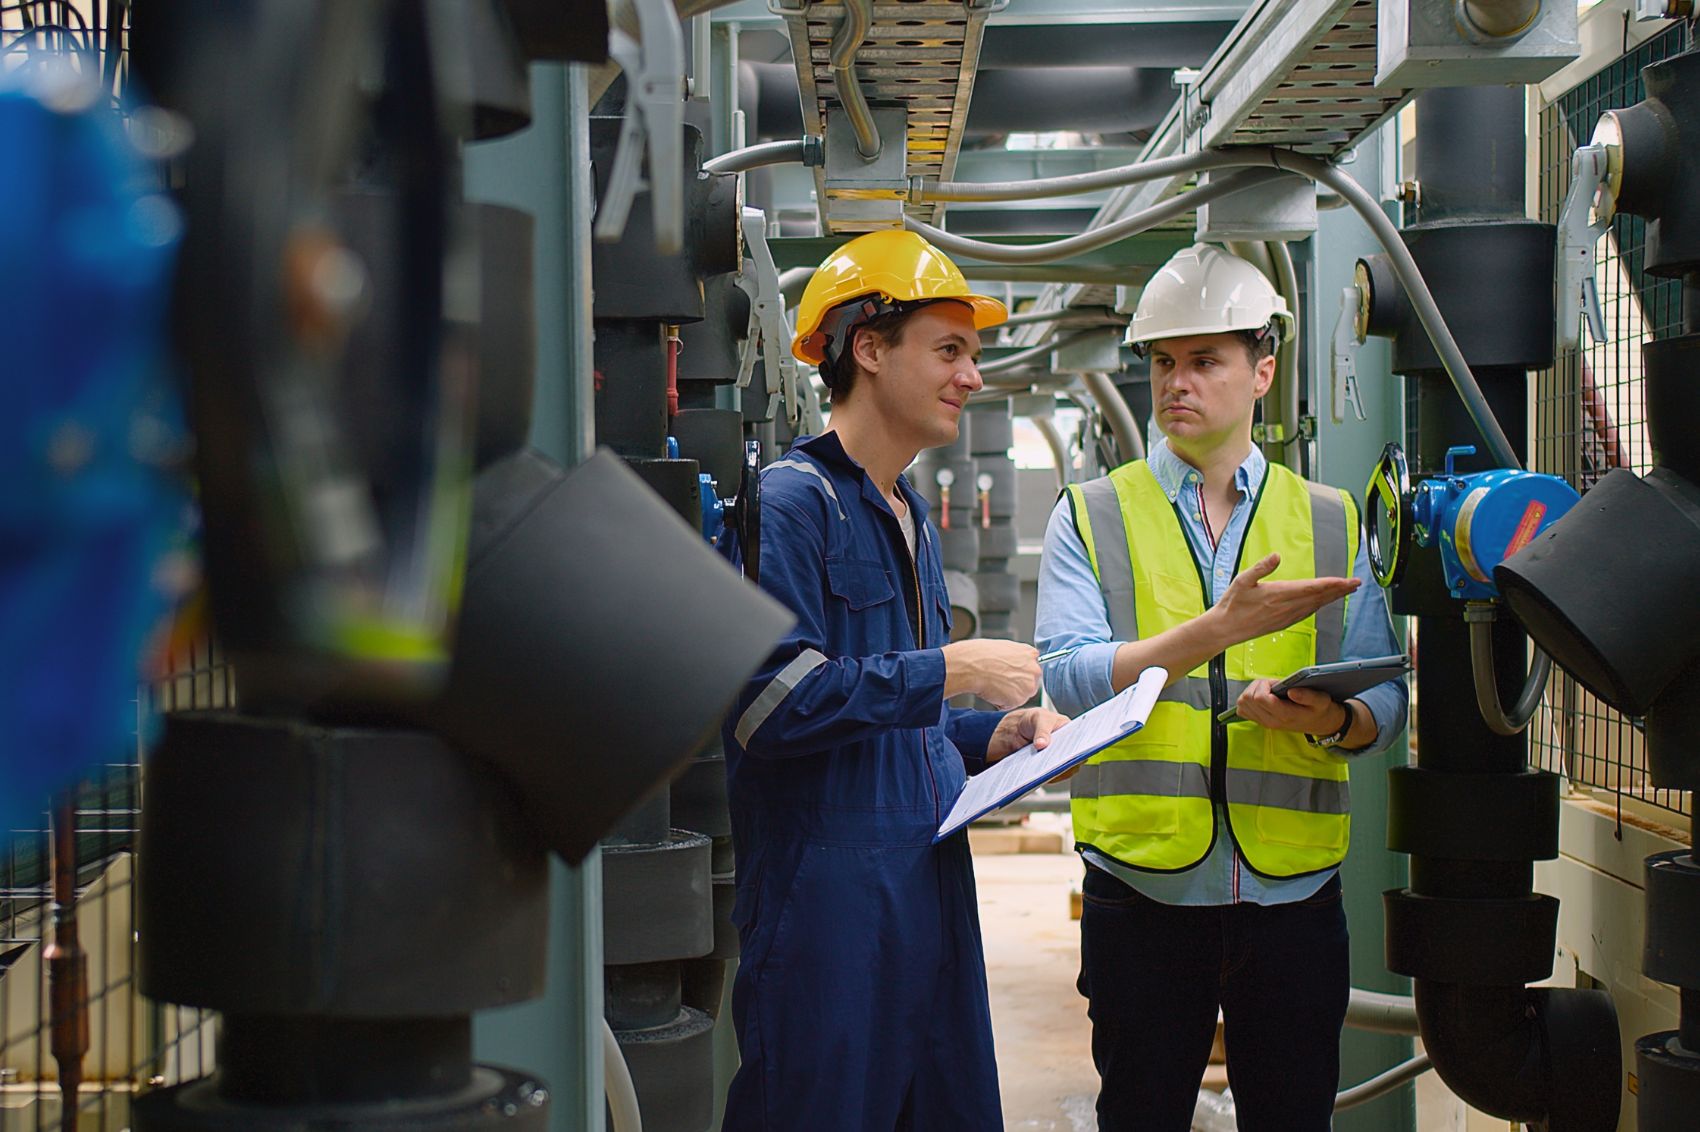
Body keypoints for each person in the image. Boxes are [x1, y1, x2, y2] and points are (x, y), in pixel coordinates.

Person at [1035, 243, 1408, 1131]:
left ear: (1262, 371)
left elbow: (1386, 705)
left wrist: (1332, 719)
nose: (1177, 382)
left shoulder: (1329, 517)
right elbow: (1070, 674)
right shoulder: (1091, 511)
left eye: (1205, 360)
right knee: (1141, 1114)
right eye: (1164, 362)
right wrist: (1212, 634)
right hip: (1143, 889)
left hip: (1294, 895)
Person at [719, 229, 1068, 1132]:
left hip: (926, 887)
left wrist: (985, 735)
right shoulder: (792, 503)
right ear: (868, 348)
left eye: (974, 355)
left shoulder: (910, 513)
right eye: (949, 350)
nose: (973, 377)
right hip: (825, 913)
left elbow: (889, 718)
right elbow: (771, 705)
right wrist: (949, 669)